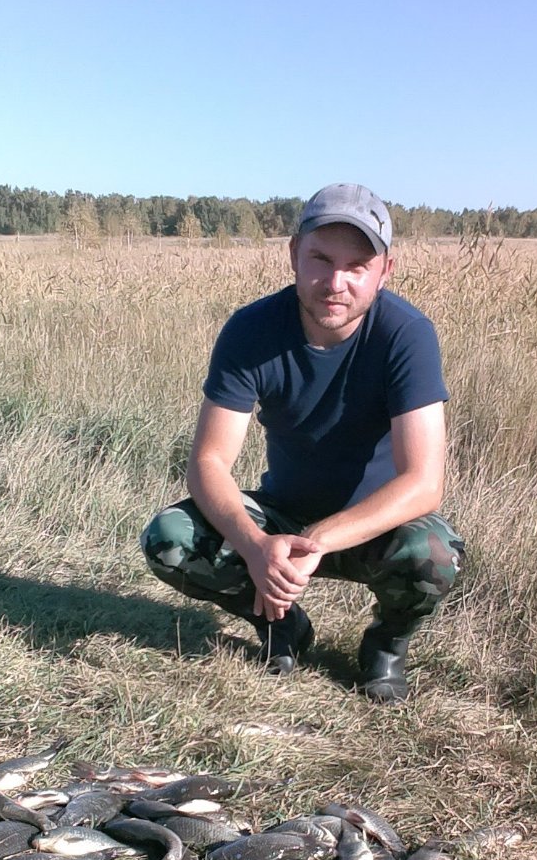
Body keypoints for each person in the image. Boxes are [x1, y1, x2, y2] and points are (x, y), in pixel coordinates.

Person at [140, 183, 464, 703]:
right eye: (320, 259)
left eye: (358, 265)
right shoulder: (251, 330)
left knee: (434, 555)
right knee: (169, 537)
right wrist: (253, 545)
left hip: (374, 526)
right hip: (281, 516)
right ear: (294, 253)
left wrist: (318, 542)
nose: (336, 282)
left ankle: (385, 646)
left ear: (386, 271)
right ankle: (280, 622)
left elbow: (424, 484)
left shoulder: (407, 335)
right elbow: (208, 460)